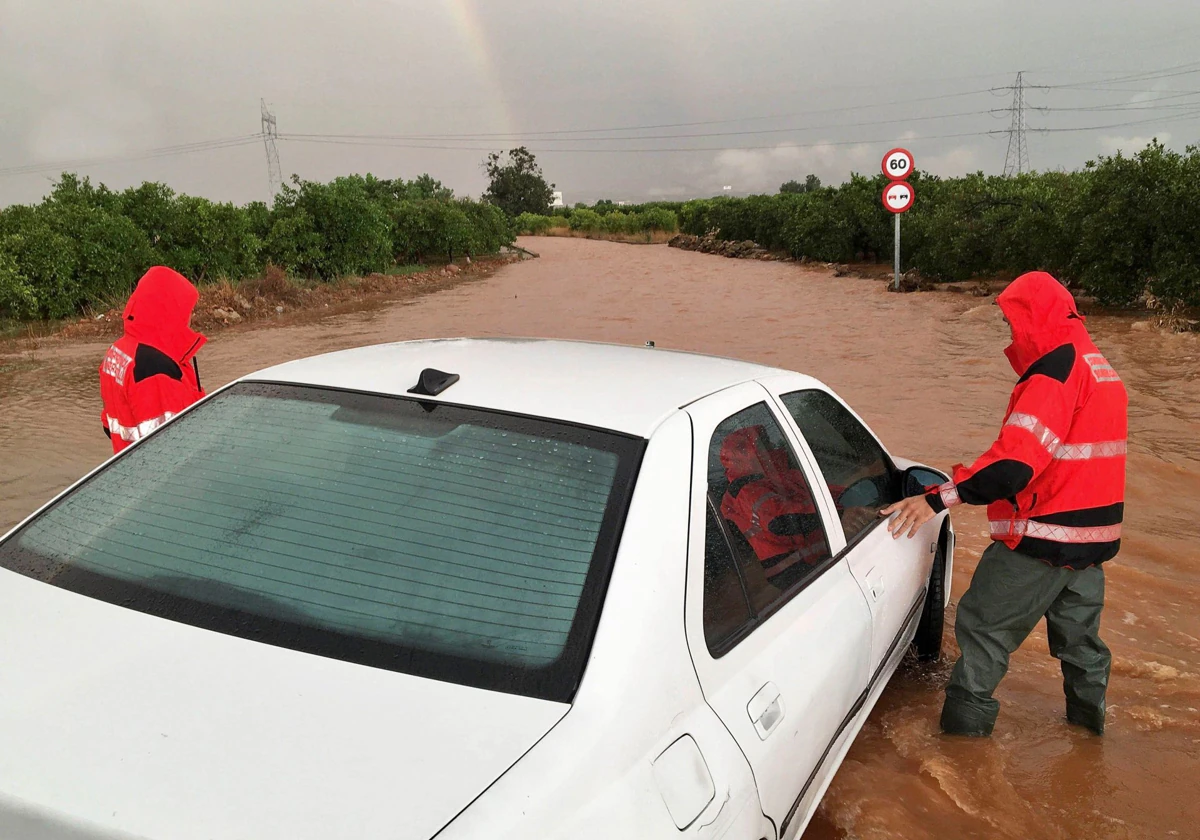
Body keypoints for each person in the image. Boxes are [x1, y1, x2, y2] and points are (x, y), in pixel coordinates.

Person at [881, 271, 1128, 737]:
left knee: (982, 631)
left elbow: (1011, 467)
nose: (1011, 334)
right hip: (1093, 546)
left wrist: (937, 499)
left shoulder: (1055, 372)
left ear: (1033, 319)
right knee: (1082, 648)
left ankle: (959, 750)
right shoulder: (1101, 368)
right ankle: (1089, 736)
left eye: (1012, 322)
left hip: (1041, 539)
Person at [99, 266, 207, 454]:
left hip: (127, 467)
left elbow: (109, 426)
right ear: (170, 310)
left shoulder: (118, 351)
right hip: (160, 477)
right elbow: (176, 446)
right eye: (187, 311)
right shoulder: (154, 368)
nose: (190, 318)